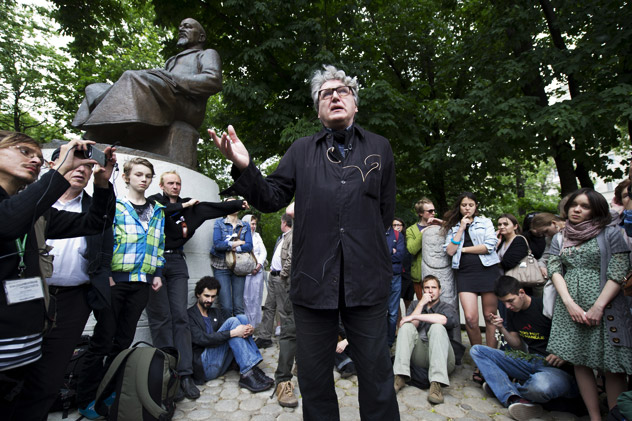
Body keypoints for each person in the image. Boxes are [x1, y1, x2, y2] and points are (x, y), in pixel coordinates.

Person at [210, 64, 399, 420]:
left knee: (376, 377)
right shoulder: (300, 150)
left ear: (355, 103)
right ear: (318, 110)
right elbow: (270, 198)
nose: (334, 96)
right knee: (313, 380)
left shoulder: (379, 147)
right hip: (313, 284)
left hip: (367, 282)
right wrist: (244, 167)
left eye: (342, 91)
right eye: (325, 94)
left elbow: (384, 214)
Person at [0, 132, 116, 419]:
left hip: (34, 324)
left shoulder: (35, 213)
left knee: (42, 387)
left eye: (38, 155)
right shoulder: (22, 209)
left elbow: (95, 222)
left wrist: (102, 185)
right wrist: (60, 171)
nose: (35, 159)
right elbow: (8, 222)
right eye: (24, 151)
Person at [76, 157, 165, 419]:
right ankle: (85, 398)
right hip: (114, 282)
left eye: (148, 175)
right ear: (126, 177)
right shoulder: (113, 205)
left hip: (142, 283)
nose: (143, 179)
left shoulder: (157, 210)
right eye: (138, 174)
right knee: (102, 340)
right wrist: (106, 275)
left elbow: (159, 244)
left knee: (123, 341)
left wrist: (157, 272)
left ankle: (110, 391)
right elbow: (101, 240)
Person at [146, 171, 246, 400]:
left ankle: (185, 374)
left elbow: (209, 208)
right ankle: (165, 375)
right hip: (154, 262)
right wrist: (186, 205)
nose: (175, 186)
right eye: (170, 183)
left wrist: (237, 203)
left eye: (178, 183)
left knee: (181, 317)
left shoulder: (188, 206)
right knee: (161, 319)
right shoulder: (154, 203)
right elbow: (157, 212)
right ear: (161, 185)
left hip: (177, 261)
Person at [546, 188, 632, 421]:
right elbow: (554, 270)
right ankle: (594, 417)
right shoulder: (560, 237)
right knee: (580, 361)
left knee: (612, 365)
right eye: (574, 204)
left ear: (596, 209)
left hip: (607, 306)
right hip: (570, 305)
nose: (577, 209)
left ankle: (617, 417)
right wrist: (569, 304)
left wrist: (598, 307)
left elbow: (619, 271)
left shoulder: (611, 233)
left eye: (584, 206)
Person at [72, 18, 221, 136]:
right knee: (95, 88)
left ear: (201, 37)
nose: (181, 29)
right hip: (165, 98)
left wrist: (168, 77)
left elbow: (213, 81)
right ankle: (97, 129)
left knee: (132, 77)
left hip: (188, 107)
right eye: (181, 27)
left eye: (188, 26)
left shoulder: (207, 53)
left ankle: (102, 124)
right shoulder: (171, 60)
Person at [470, 276, 579, 421]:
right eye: (504, 303)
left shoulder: (545, 306)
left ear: (521, 292)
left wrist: (563, 352)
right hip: (530, 362)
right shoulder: (512, 312)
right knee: (477, 350)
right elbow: (517, 345)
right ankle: (514, 397)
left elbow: (573, 334)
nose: (508, 306)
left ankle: (505, 386)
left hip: (555, 369)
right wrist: (501, 328)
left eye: (510, 301)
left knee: (540, 386)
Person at [443, 192, 500, 383]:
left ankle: (491, 358)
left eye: (471, 205)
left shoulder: (486, 222)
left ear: (476, 206)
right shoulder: (454, 227)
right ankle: (480, 358)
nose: (467, 208)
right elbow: (450, 250)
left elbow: (489, 246)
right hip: (465, 273)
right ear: (459, 207)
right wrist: (460, 229)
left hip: (487, 269)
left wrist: (464, 248)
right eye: (464, 205)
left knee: (490, 317)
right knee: (470, 318)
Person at [188, 276, 273, 392]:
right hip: (206, 366)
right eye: (206, 296)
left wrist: (248, 330)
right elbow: (202, 339)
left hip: (221, 362)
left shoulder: (215, 313)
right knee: (233, 322)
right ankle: (248, 372)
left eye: (213, 297)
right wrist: (233, 332)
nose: (210, 300)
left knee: (241, 318)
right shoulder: (190, 315)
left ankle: (251, 368)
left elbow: (229, 334)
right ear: (198, 294)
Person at [392, 275, 464, 405]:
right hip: (421, 355)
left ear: (439, 290)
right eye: (427, 288)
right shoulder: (415, 305)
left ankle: (436, 385)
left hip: (443, 358)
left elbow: (444, 320)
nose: (430, 291)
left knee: (437, 327)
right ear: (423, 291)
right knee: (407, 327)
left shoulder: (446, 307)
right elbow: (409, 326)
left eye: (434, 288)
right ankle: (400, 376)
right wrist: (420, 304)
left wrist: (416, 316)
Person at [254, 212, 298, 408]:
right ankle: (283, 381)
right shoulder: (292, 233)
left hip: (316, 286)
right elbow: (291, 208)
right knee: (289, 328)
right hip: (289, 282)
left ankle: (304, 368)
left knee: (309, 331)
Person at [210, 201, 253, 319]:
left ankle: (242, 335)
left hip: (239, 266)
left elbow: (249, 246)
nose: (234, 205)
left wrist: (232, 246)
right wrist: (238, 243)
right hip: (221, 266)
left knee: (238, 306)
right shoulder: (219, 223)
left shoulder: (245, 225)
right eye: (230, 203)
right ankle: (228, 334)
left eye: (236, 203)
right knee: (226, 306)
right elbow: (217, 244)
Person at [406, 198, 443, 300]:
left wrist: (441, 224)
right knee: (424, 306)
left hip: (439, 272)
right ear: (420, 213)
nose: (433, 213)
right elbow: (412, 249)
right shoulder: (411, 230)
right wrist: (423, 232)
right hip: (420, 275)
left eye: (434, 210)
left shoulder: (439, 226)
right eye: (430, 211)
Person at [496, 213, 529, 314]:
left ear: (515, 226)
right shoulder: (501, 242)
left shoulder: (519, 240)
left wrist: (495, 262)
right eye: (499, 224)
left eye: (505, 224)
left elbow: (508, 263)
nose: (502, 227)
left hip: (518, 282)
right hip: (503, 283)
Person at [242, 214, 267, 327]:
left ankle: (253, 326)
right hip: (245, 273)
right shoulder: (240, 236)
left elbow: (263, 252)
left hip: (257, 272)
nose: (253, 226)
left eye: (255, 224)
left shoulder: (257, 236)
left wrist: (259, 265)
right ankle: (245, 325)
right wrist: (249, 267)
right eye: (252, 223)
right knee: (245, 299)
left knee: (256, 298)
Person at [386, 217, 406, 347]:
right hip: (378, 276)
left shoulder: (398, 235)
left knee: (393, 312)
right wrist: (390, 252)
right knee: (379, 312)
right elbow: (373, 254)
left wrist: (387, 253)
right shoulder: (377, 232)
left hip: (395, 275)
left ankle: (389, 342)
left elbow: (400, 255)